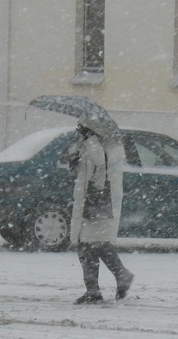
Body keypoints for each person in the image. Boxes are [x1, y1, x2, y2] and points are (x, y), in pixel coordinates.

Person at [70, 122, 134, 304]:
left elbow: (100, 162)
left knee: (97, 243)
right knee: (85, 243)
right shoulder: (91, 144)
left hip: (102, 200)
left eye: (85, 127)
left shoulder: (112, 146)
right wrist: (75, 152)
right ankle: (93, 289)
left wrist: (89, 140)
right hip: (87, 199)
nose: (81, 130)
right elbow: (78, 171)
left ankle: (122, 276)